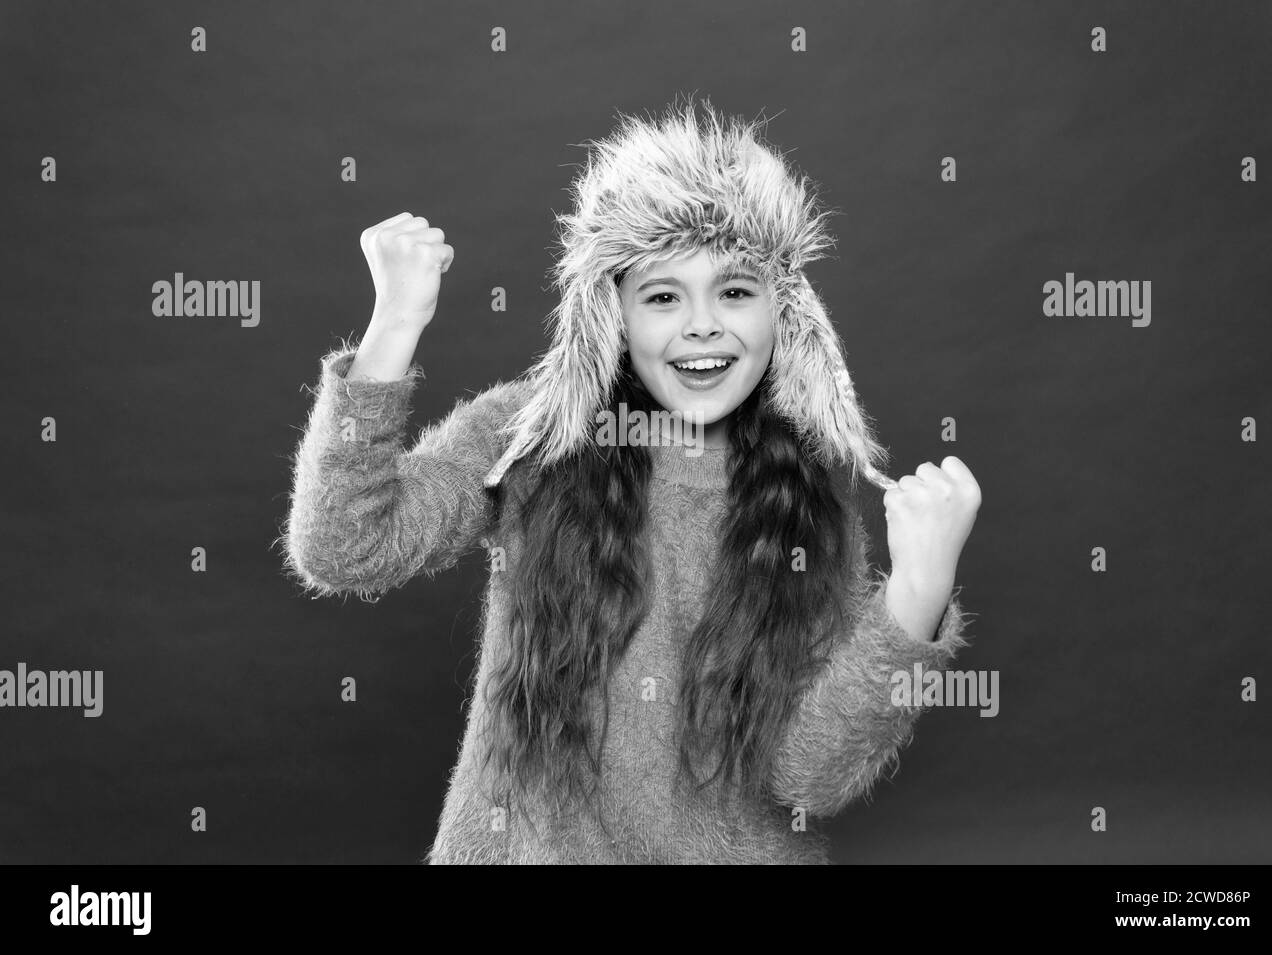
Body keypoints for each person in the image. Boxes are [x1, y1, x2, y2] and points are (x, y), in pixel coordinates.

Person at [279, 95, 981, 864]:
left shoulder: (808, 503)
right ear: (611, 313)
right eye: (663, 295)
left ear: (785, 312)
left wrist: (916, 593)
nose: (702, 324)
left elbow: (807, 775)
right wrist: (394, 327)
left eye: (736, 291)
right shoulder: (531, 438)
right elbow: (344, 544)